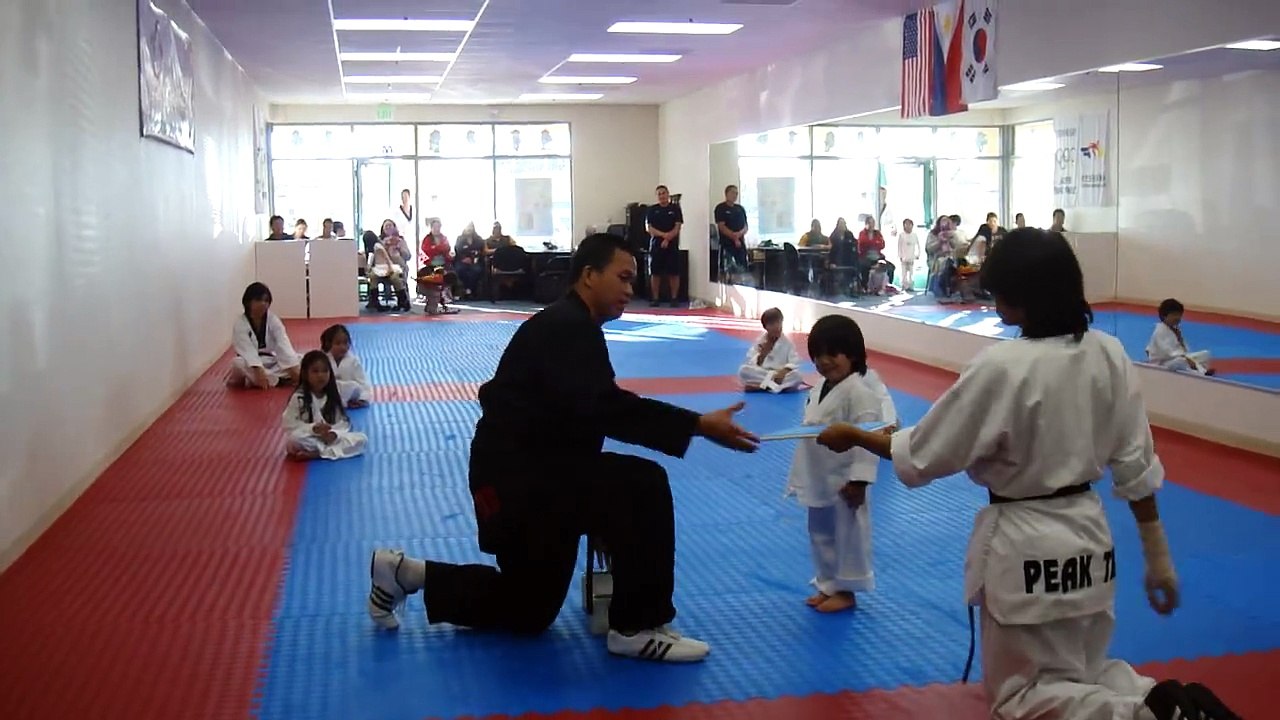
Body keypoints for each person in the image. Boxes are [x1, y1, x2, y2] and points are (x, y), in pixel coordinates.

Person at [814, 228, 1241, 720]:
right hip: (1090, 540)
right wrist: (1158, 556)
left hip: (1025, 547)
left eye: (999, 292)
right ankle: (1157, 699)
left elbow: (925, 452)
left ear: (1019, 296)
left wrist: (856, 436)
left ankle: (1150, 715)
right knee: (1083, 671)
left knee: (1024, 697)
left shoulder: (1004, 366)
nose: (994, 301)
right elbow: (1136, 467)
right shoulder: (1108, 354)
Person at [365, 233, 759, 662]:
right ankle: (636, 626)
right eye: (623, 277)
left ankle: (404, 572)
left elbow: (581, 419)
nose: (631, 288)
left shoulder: (573, 325)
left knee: (529, 608)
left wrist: (609, 521)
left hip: (525, 476)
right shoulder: (567, 328)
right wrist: (698, 424)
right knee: (641, 484)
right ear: (589, 276)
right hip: (516, 484)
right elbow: (610, 410)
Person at [787, 315, 893, 614]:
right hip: (819, 474)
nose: (823, 362)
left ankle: (847, 590)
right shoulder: (819, 386)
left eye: (832, 354)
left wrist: (860, 481)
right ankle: (827, 583)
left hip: (846, 480)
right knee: (820, 533)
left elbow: (869, 438)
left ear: (854, 353)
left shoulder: (860, 393)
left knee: (848, 537)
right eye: (817, 355)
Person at [283, 350, 368, 461]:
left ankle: (318, 453)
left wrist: (334, 434)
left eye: (325, 371)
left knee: (362, 439)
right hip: (309, 437)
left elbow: (343, 423)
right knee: (293, 440)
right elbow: (289, 424)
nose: (321, 375)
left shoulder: (333, 394)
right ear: (305, 374)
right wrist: (313, 429)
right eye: (315, 371)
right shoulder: (299, 397)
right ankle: (326, 451)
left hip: (329, 438)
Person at [228, 282, 300, 389]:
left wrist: (292, 368)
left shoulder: (273, 320)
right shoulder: (240, 324)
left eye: (266, 301)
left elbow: (283, 343)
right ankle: (277, 380)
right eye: (258, 300)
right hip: (251, 364)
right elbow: (246, 350)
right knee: (237, 364)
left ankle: (265, 380)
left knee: (301, 358)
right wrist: (258, 369)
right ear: (248, 302)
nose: (263, 304)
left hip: (272, 361)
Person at [738, 307, 803, 393]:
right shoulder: (760, 342)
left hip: (779, 375)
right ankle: (773, 387)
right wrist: (762, 355)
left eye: (778, 322)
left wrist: (783, 372)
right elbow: (751, 361)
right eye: (772, 324)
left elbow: (794, 362)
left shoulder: (788, 343)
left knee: (797, 376)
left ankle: (761, 387)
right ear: (766, 327)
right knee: (743, 370)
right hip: (763, 373)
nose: (777, 326)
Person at [1146, 299, 1215, 376]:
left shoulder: (1175, 330)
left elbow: (1185, 350)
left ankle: (1202, 371)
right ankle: (1200, 374)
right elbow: (1168, 352)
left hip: (1177, 358)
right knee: (1181, 361)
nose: (1178, 317)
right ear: (1164, 316)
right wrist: (1185, 358)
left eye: (1179, 315)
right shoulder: (1160, 331)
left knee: (1205, 354)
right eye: (1174, 315)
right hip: (1163, 364)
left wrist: (1181, 341)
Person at [646, 185, 683, 307]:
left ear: (668, 194)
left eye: (664, 193)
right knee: (655, 272)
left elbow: (677, 227)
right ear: (657, 196)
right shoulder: (652, 210)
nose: (662, 195)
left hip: (672, 245)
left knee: (674, 272)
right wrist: (664, 236)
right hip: (656, 245)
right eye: (659, 194)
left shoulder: (675, 209)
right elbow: (649, 228)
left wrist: (668, 238)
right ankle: (655, 298)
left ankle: (674, 298)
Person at [322, 324, 372, 407]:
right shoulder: (323, 359)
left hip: (348, 393)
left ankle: (347, 402)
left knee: (353, 386)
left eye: (346, 343)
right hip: (328, 391)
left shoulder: (353, 361)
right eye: (338, 343)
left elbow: (363, 382)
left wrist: (363, 398)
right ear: (328, 344)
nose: (343, 347)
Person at [714, 184, 749, 278]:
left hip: (740, 244)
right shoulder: (720, 208)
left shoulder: (740, 209)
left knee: (742, 269)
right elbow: (721, 226)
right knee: (726, 270)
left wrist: (739, 235)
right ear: (726, 194)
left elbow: (745, 226)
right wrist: (734, 237)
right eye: (733, 193)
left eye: (736, 193)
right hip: (727, 245)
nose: (735, 195)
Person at [898, 218, 920, 292]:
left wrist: (917, 254)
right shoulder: (901, 235)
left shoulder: (914, 235)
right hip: (904, 256)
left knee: (911, 272)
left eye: (909, 224)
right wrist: (900, 256)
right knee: (903, 272)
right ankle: (904, 285)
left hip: (912, 256)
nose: (908, 226)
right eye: (906, 224)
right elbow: (899, 246)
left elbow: (917, 245)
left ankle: (911, 285)